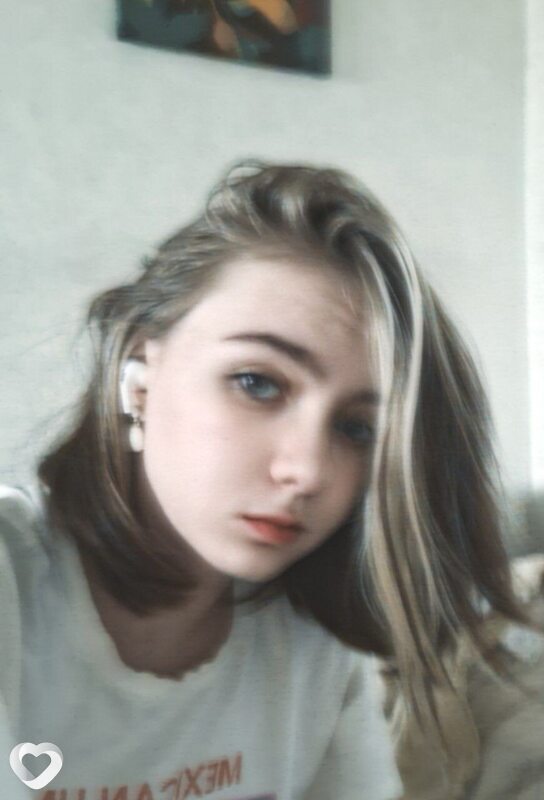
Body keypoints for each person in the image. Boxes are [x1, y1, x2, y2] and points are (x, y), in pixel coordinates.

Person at [0, 161, 532, 800]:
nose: (307, 472)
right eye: (256, 383)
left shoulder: (312, 643)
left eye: (358, 429)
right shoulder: (14, 585)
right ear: (138, 377)